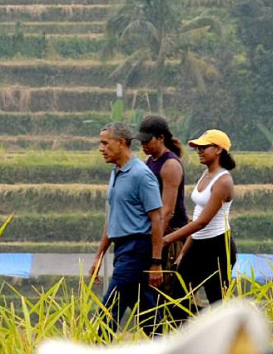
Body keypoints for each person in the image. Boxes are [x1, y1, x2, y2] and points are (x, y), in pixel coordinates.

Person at [89, 122, 164, 336]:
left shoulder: (141, 175)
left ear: (121, 143)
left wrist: (156, 262)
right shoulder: (116, 172)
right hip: (122, 249)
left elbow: (157, 218)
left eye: (105, 143)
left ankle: (97, 347)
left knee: (109, 310)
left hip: (136, 249)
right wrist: (99, 256)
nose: (101, 148)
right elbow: (114, 218)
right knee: (148, 315)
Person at [162, 129, 237, 322]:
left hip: (218, 248)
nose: (199, 151)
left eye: (204, 147)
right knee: (175, 300)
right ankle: (196, 330)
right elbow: (196, 216)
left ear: (219, 149)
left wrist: (168, 239)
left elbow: (203, 221)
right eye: (198, 148)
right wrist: (183, 252)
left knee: (218, 302)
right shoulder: (206, 174)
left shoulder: (224, 181)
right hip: (197, 245)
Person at [135, 115, 188, 292]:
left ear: (161, 138)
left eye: (147, 141)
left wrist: (155, 245)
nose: (143, 145)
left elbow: (167, 210)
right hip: (155, 230)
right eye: (141, 141)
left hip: (170, 234)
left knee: (167, 290)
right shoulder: (149, 161)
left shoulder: (170, 164)